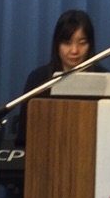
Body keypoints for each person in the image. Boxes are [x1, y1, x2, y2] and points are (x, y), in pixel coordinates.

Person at [12, 9, 96, 147]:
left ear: (90, 45)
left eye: (82, 43)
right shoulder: (38, 79)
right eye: (67, 43)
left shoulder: (103, 78)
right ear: (57, 44)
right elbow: (24, 136)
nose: (74, 50)